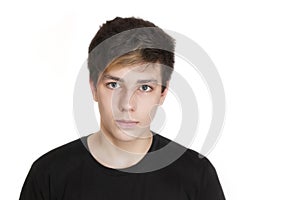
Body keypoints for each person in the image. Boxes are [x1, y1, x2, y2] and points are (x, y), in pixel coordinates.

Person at [19, 17, 226, 200]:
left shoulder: (197, 176)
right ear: (93, 88)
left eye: (145, 88)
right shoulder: (49, 174)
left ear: (162, 93)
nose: (127, 104)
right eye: (114, 85)